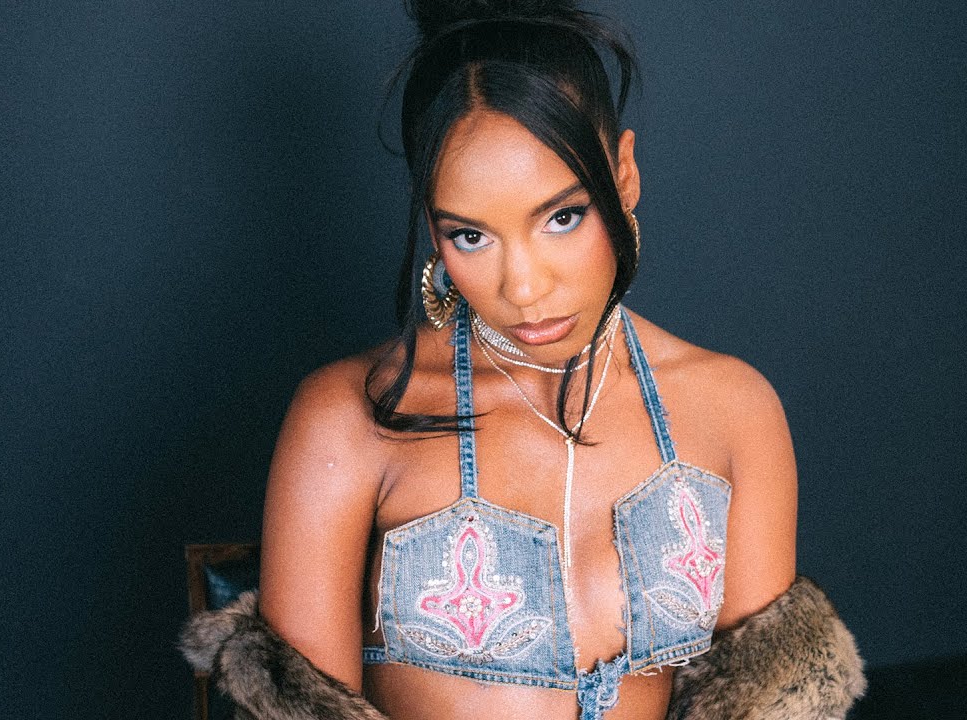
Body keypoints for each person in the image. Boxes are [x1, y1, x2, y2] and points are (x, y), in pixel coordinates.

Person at [180, 1, 865, 718]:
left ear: (624, 174)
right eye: (471, 236)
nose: (525, 288)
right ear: (431, 223)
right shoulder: (351, 419)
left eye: (563, 216)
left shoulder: (732, 410)